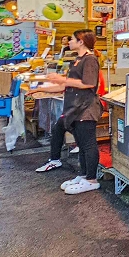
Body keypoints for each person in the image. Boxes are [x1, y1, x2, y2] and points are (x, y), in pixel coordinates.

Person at [33, 30, 103, 195]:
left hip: (86, 108)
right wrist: (44, 88)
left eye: (71, 39)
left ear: (81, 42)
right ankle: (84, 175)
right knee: (81, 143)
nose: (68, 42)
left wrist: (62, 79)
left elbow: (88, 83)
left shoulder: (90, 59)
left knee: (88, 144)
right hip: (75, 107)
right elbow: (68, 86)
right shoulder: (77, 60)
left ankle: (92, 180)